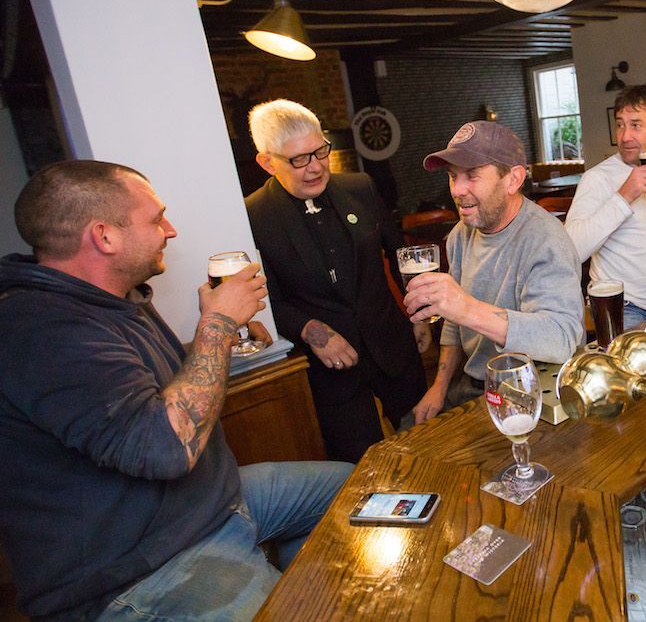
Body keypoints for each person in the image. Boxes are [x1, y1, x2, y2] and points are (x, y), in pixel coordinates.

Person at [0, 160, 352, 621]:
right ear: (104, 236)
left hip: (210, 505)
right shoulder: (42, 330)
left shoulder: (113, 298)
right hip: (142, 567)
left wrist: (217, 339)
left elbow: (133, 385)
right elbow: (165, 449)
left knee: (354, 488)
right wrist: (217, 325)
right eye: (156, 219)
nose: (170, 230)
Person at [245, 99, 429, 463]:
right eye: (299, 159)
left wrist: (419, 311)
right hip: (332, 372)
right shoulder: (254, 216)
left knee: (428, 445)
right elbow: (269, 299)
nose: (315, 167)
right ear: (267, 162)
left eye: (320, 152)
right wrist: (312, 330)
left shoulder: (360, 187)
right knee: (361, 466)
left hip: (393, 347)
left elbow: (400, 255)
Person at [404, 121, 584, 422]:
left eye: (472, 175)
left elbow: (561, 338)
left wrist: (466, 308)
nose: (457, 190)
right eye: (453, 176)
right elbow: (454, 324)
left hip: (531, 391)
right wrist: (439, 386)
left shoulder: (545, 239)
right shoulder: (460, 235)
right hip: (474, 385)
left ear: (513, 179)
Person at [564, 84, 646, 329]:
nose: (625, 136)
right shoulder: (597, 178)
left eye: (636, 125)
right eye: (620, 124)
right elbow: (571, 251)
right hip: (622, 308)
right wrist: (623, 196)